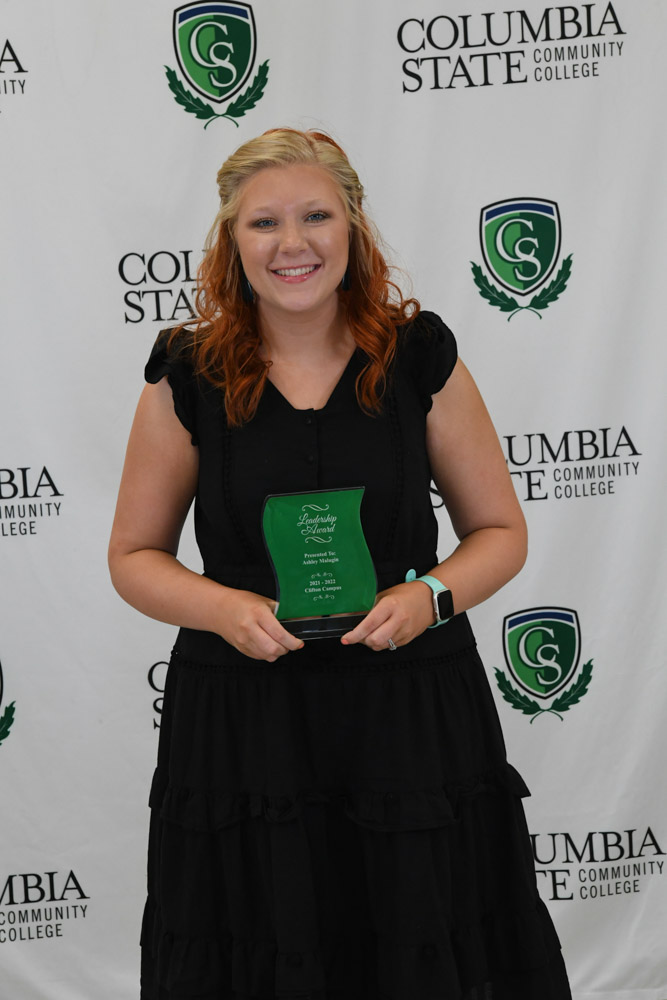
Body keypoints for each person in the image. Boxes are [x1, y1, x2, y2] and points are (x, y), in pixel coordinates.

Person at [108, 127, 571, 1000]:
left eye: (317, 216)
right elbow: (133, 556)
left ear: (352, 228)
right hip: (243, 720)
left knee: (420, 941)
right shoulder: (187, 373)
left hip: (408, 707)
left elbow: (498, 531)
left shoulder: (417, 357)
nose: (293, 244)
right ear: (229, 240)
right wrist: (219, 609)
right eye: (264, 223)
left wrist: (428, 597)